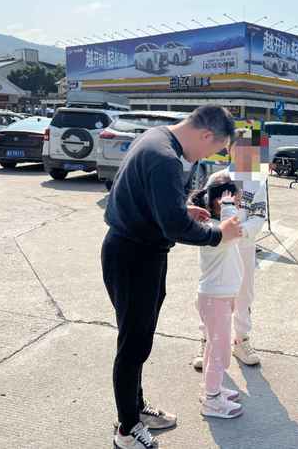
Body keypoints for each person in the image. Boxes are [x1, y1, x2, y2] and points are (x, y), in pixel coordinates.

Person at [102, 105, 243, 449]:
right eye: (213, 149)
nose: (206, 157)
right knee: (134, 345)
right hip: (135, 257)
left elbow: (153, 202)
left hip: (134, 251)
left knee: (137, 340)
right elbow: (175, 227)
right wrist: (218, 234)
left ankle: (134, 408)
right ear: (206, 135)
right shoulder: (166, 158)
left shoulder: (156, 138)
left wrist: (180, 208)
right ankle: (127, 430)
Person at [192, 124, 267, 370]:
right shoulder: (217, 178)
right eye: (239, 148)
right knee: (211, 292)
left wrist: (240, 232)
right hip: (216, 246)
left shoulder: (257, 183)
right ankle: (206, 340)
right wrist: (218, 232)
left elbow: (258, 217)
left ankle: (241, 340)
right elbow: (204, 212)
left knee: (244, 293)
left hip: (243, 247)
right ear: (230, 150)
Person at [189, 176, 246, 418]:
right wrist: (229, 207)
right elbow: (234, 227)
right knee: (220, 351)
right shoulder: (214, 232)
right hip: (215, 299)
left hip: (219, 297)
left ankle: (212, 389)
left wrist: (228, 206)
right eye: (235, 203)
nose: (238, 208)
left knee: (214, 347)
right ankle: (212, 400)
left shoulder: (215, 227)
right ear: (219, 204)